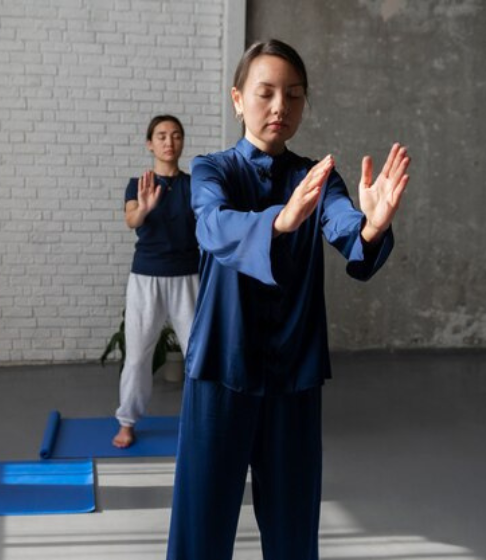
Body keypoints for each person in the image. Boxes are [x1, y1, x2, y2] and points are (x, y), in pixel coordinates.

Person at [165, 40, 410, 559]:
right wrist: (279, 220)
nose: (281, 107)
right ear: (237, 99)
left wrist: (371, 227)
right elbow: (211, 226)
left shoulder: (316, 177)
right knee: (200, 530)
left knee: (294, 531)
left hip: (292, 374)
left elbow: (347, 230)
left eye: (294, 95)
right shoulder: (212, 171)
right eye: (266, 92)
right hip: (220, 368)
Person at [113, 115, 200, 448]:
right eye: (162, 136)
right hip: (146, 277)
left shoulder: (195, 186)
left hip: (187, 277)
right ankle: (127, 422)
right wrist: (146, 208)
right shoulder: (138, 184)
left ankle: (199, 420)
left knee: (196, 354)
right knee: (137, 355)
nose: (169, 142)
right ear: (150, 143)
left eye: (176, 135)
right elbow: (130, 220)